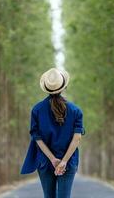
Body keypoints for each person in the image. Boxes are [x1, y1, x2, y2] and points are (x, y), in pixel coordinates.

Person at [20, 68, 85, 198]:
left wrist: (53, 159)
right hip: (69, 161)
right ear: (64, 87)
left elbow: (37, 138)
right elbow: (77, 139)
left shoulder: (37, 110)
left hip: (44, 161)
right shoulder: (76, 111)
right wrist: (64, 161)